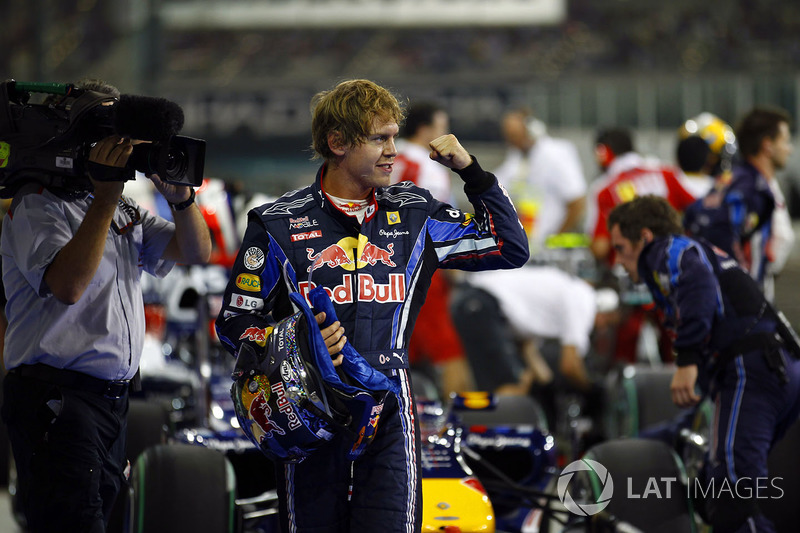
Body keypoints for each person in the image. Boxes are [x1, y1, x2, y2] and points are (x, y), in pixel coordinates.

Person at [215, 79, 529, 532]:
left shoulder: (418, 214)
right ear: (337, 142)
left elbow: (510, 247)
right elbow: (235, 320)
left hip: (390, 407)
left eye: (394, 137)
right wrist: (293, 343)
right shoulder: (277, 222)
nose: (393, 151)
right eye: (380, 138)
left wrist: (473, 172)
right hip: (308, 408)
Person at [0, 78, 212, 533]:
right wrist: (106, 195)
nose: (126, 151)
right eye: (115, 142)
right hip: (56, 400)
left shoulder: (122, 209)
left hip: (111, 404)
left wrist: (182, 200)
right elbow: (69, 285)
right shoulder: (36, 205)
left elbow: (196, 252)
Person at [608, 195, 800, 533]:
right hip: (779, 368)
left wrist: (688, 359)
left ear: (645, 238)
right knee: (729, 488)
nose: (619, 260)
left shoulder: (670, 250)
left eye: (622, 247)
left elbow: (698, 283)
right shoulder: (701, 252)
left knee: (733, 499)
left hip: (752, 369)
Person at [390, 100, 474, 396]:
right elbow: (437, 223)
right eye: (442, 128)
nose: (448, 135)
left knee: (397, 350)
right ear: (425, 130)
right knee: (447, 350)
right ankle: (456, 425)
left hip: (388, 267)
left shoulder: (390, 155)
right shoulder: (426, 165)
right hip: (422, 266)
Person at [684, 106, 794, 301]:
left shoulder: (731, 182)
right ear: (767, 145)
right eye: (785, 141)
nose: (790, 148)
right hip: (741, 307)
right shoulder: (751, 188)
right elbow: (723, 239)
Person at [493, 108, 587, 255]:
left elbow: (577, 202)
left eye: (514, 135)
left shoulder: (556, 154)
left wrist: (554, 240)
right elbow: (493, 188)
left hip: (551, 251)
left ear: (532, 128)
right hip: (527, 248)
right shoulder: (517, 157)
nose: (511, 142)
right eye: (508, 136)